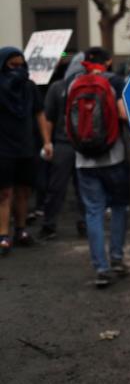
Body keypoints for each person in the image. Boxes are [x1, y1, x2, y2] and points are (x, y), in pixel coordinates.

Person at [71, 47, 130, 288]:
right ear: (107, 62)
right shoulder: (114, 81)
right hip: (113, 157)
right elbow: (123, 114)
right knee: (118, 207)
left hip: (83, 160)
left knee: (93, 212)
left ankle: (101, 268)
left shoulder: (73, 84)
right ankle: (116, 258)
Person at [0, 47, 52, 255]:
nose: (17, 70)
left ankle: (20, 229)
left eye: (21, 65)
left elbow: (40, 114)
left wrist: (47, 142)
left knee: (24, 191)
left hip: (26, 147)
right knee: (5, 192)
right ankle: (3, 234)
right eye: (12, 66)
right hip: (2, 148)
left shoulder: (29, 87)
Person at [40, 53, 87, 240]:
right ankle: (84, 223)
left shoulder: (58, 87)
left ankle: (49, 225)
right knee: (83, 187)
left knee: (56, 188)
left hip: (63, 144)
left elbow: (48, 118)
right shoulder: (87, 85)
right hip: (84, 146)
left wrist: (47, 142)